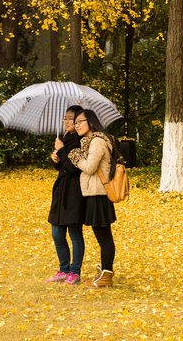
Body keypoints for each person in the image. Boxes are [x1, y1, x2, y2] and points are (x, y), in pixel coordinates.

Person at [68, 108, 118, 288]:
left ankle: (106, 276)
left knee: (104, 237)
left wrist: (75, 156)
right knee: (102, 236)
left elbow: (89, 167)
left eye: (80, 121)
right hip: (94, 194)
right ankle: (104, 272)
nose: (77, 125)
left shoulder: (97, 142)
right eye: (76, 122)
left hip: (99, 195)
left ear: (91, 122)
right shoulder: (91, 141)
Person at [45, 105, 86, 284]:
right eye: (65, 118)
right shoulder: (65, 139)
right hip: (61, 191)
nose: (67, 122)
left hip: (74, 192)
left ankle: (74, 271)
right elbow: (63, 166)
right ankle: (63, 269)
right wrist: (56, 159)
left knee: (74, 233)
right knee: (57, 233)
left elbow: (73, 168)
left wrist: (61, 151)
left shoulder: (81, 141)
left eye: (71, 119)